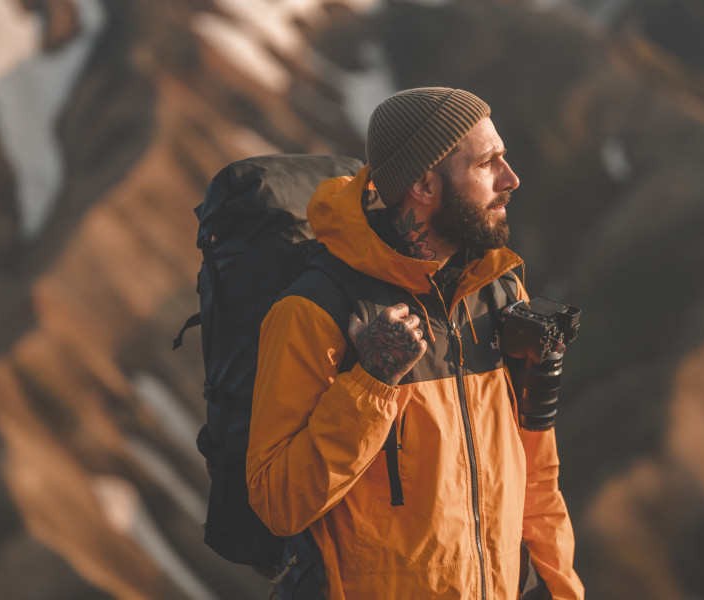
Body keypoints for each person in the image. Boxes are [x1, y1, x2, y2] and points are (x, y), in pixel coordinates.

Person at [246, 87, 584, 599]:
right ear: (425, 185)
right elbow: (278, 502)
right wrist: (371, 383)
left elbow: (536, 472)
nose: (511, 180)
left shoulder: (498, 291)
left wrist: (564, 590)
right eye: (489, 164)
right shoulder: (316, 311)